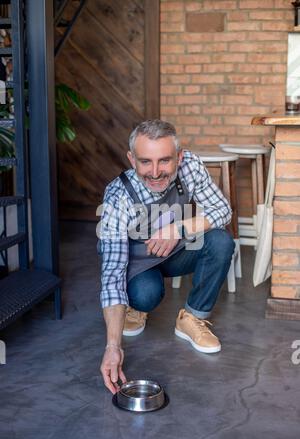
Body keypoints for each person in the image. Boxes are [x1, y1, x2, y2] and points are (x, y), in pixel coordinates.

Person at [98, 119, 235, 394]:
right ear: (131, 159)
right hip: (138, 264)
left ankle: (192, 318)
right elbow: (112, 273)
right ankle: (135, 307)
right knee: (146, 294)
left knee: (221, 241)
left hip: (177, 250)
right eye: (146, 162)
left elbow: (222, 210)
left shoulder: (191, 166)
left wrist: (178, 228)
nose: (156, 172)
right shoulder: (117, 196)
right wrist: (112, 347)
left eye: (164, 161)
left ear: (179, 157)